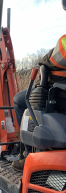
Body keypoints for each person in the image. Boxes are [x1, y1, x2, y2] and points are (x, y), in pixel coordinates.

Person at [12, 34, 66, 171]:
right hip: (59, 89)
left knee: (19, 101)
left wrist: (43, 62)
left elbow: (52, 59)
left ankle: (30, 153)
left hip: (57, 92)